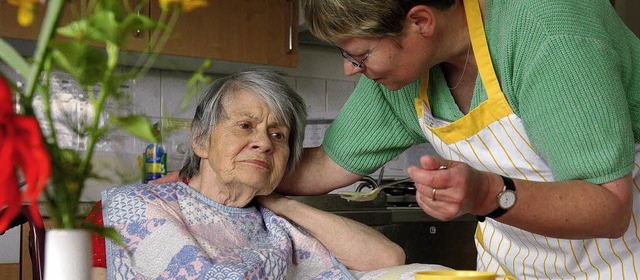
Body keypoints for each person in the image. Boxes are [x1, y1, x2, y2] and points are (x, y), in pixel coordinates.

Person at [270, 0, 640, 279]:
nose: (350, 69)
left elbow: (610, 208)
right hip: (514, 266)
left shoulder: (546, 29)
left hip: (621, 259)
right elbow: (321, 168)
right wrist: (225, 163)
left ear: (420, 21)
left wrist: (484, 194)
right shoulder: (405, 74)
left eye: (360, 55)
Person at [93, 69, 411, 279]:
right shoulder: (130, 208)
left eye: (278, 135)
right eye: (245, 126)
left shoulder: (278, 223)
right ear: (201, 140)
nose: (262, 142)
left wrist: (282, 203)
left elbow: (387, 257)